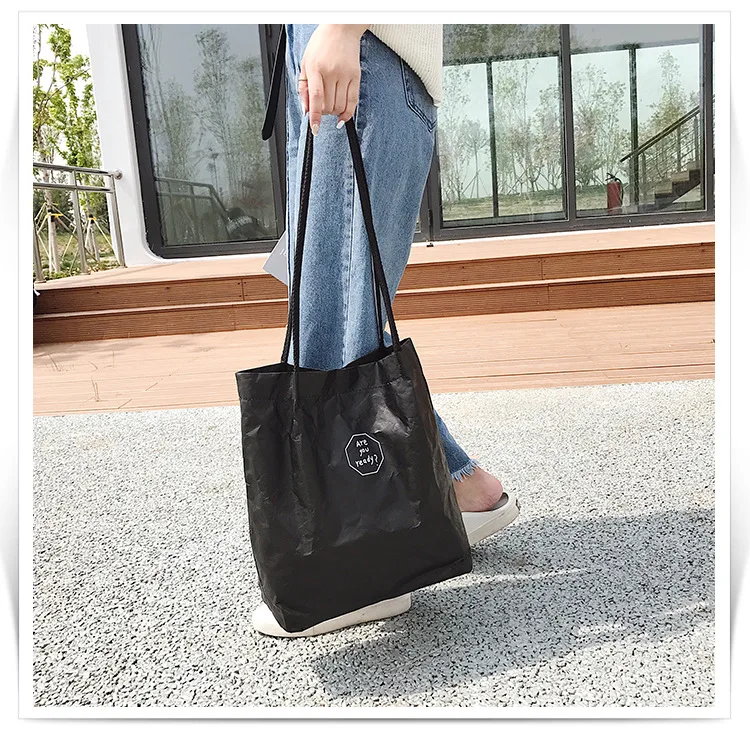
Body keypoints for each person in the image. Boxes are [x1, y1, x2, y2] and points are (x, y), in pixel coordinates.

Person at [252, 23, 520, 637]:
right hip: (338, 61)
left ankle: (363, 577)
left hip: (359, 53)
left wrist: (343, 23)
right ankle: (462, 487)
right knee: (337, 313)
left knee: (336, 326)